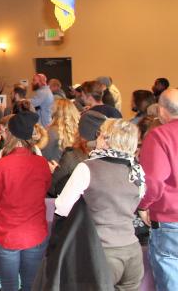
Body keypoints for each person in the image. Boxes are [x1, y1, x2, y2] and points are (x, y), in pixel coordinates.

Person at [55, 119, 144, 291]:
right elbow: (138, 200)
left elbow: (62, 206)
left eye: (100, 134)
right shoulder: (137, 170)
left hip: (102, 252)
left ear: (106, 138)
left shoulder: (87, 168)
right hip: (133, 250)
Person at [0, 111, 50, 291]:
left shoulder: (0, 165)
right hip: (36, 233)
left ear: (10, 134)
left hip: (8, 233)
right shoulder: (42, 163)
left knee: (10, 287)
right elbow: (44, 189)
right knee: (31, 286)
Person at [138, 87, 178, 290]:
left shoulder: (159, 136)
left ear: (161, 110)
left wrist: (143, 205)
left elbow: (153, 181)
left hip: (170, 222)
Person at [48, 110, 106, 197]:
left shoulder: (71, 156)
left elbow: (52, 189)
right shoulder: (107, 158)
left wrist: (55, 172)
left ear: (80, 131)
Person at [43, 98, 79, 164]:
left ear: (55, 113)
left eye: (52, 109)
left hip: (53, 169)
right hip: (69, 169)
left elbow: (44, 156)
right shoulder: (77, 131)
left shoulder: (52, 132)